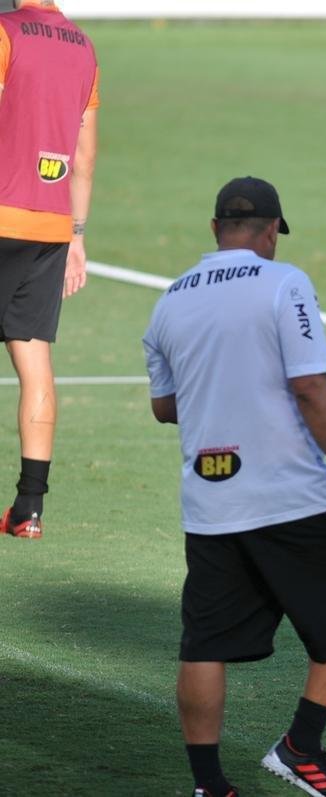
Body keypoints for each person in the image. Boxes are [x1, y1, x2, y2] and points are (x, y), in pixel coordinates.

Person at [143, 177, 326, 797]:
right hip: (290, 493)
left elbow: (165, 406)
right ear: (271, 232)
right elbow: (310, 385)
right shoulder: (285, 283)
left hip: (209, 503)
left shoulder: (169, 301)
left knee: (204, 645)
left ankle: (209, 786)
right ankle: (300, 748)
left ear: (215, 229)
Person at [0, 0, 99, 539]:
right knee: (35, 358)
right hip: (50, 227)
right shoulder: (84, 48)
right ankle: (29, 510)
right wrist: (77, 237)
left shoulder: (5, 33)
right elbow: (83, 157)